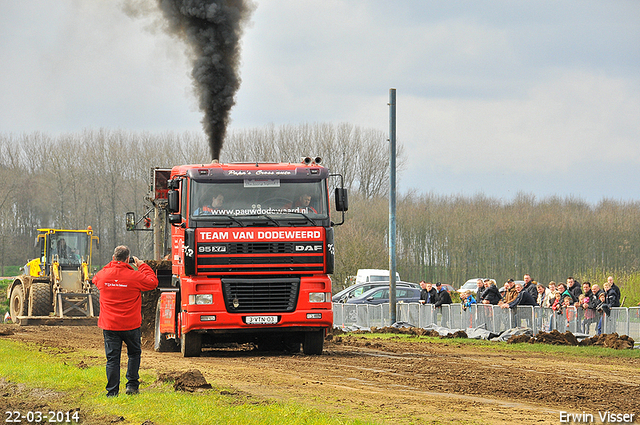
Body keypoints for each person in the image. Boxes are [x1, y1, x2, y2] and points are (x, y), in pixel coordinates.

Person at [93, 245, 159, 397]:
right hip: (131, 324)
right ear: (128, 259)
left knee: (112, 359)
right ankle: (132, 386)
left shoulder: (103, 275)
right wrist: (142, 266)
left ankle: (112, 392)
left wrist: (113, 265)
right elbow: (153, 282)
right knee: (134, 354)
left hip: (110, 325)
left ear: (113, 257)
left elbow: (95, 279)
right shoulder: (135, 276)